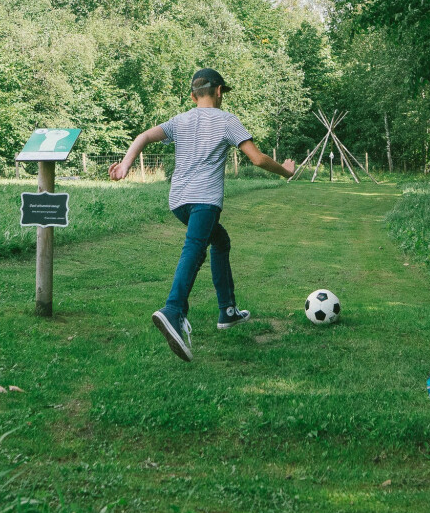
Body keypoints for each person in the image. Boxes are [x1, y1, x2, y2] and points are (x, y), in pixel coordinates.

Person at [109, 68, 297, 362]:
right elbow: (257, 158)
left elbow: (143, 136)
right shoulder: (226, 120)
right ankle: (173, 309)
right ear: (219, 91)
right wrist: (285, 170)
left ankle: (228, 311)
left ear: (193, 95)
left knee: (220, 241)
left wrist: (124, 165)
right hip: (205, 201)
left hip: (179, 202)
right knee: (194, 249)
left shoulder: (180, 120)